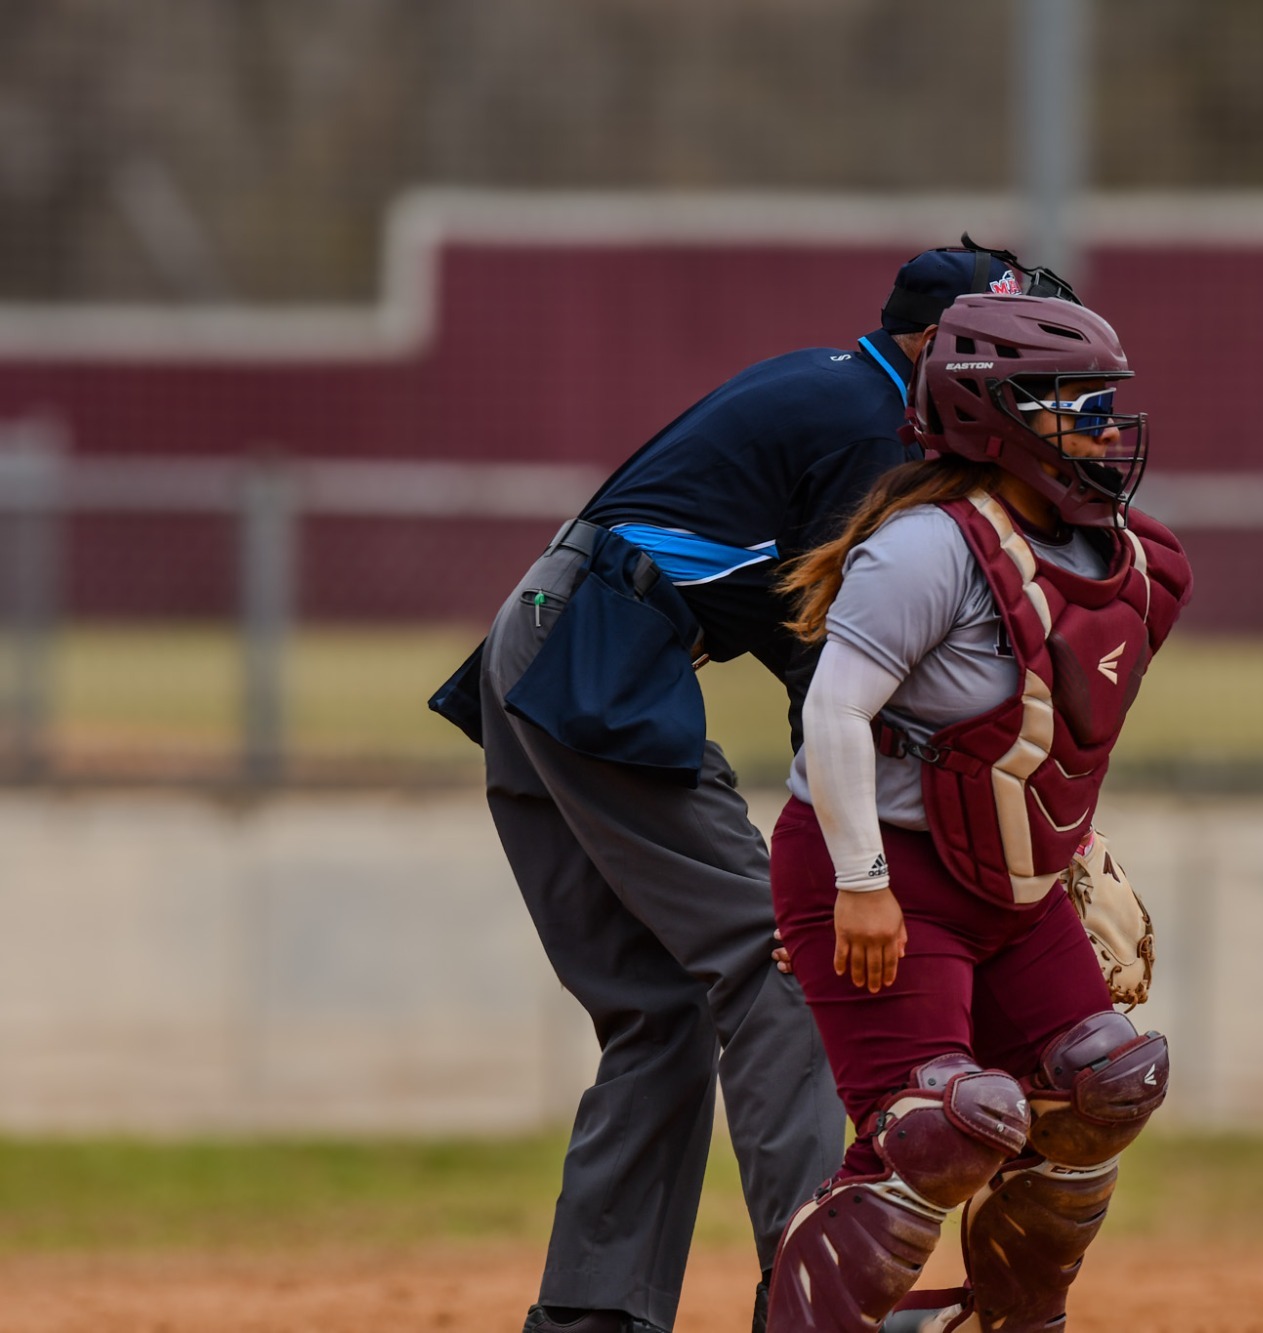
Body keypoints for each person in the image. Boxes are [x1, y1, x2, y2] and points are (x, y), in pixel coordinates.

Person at [427, 244, 1084, 1333]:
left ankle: (591, 1316)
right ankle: (824, 1298)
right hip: (592, 658)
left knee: (663, 1010)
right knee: (776, 961)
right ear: (935, 347)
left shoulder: (848, 391)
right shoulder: (875, 430)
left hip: (546, 645)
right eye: (1003, 359)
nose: (1031, 392)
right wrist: (844, 867)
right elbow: (831, 669)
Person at [762, 293, 1193, 1332]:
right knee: (945, 1130)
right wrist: (857, 885)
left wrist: (1070, 844)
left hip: (1013, 887)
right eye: (1067, 402)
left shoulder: (1133, 561)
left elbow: (1046, 731)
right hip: (880, 876)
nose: (1098, 422)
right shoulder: (926, 549)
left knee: (1105, 1088)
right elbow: (831, 714)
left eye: (1101, 399)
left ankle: (1005, 1321)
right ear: (992, 418)